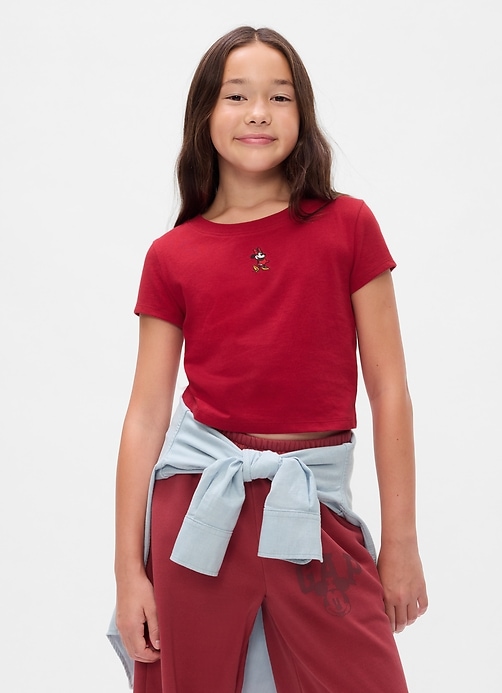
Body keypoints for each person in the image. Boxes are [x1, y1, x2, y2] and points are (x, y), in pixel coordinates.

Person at [108, 25, 428, 693]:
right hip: (198, 516)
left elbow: (390, 390)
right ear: (205, 114)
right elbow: (145, 415)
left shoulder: (349, 226)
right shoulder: (172, 255)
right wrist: (128, 572)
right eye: (237, 96)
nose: (259, 113)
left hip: (314, 509)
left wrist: (401, 545)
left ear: (302, 115)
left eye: (279, 97)